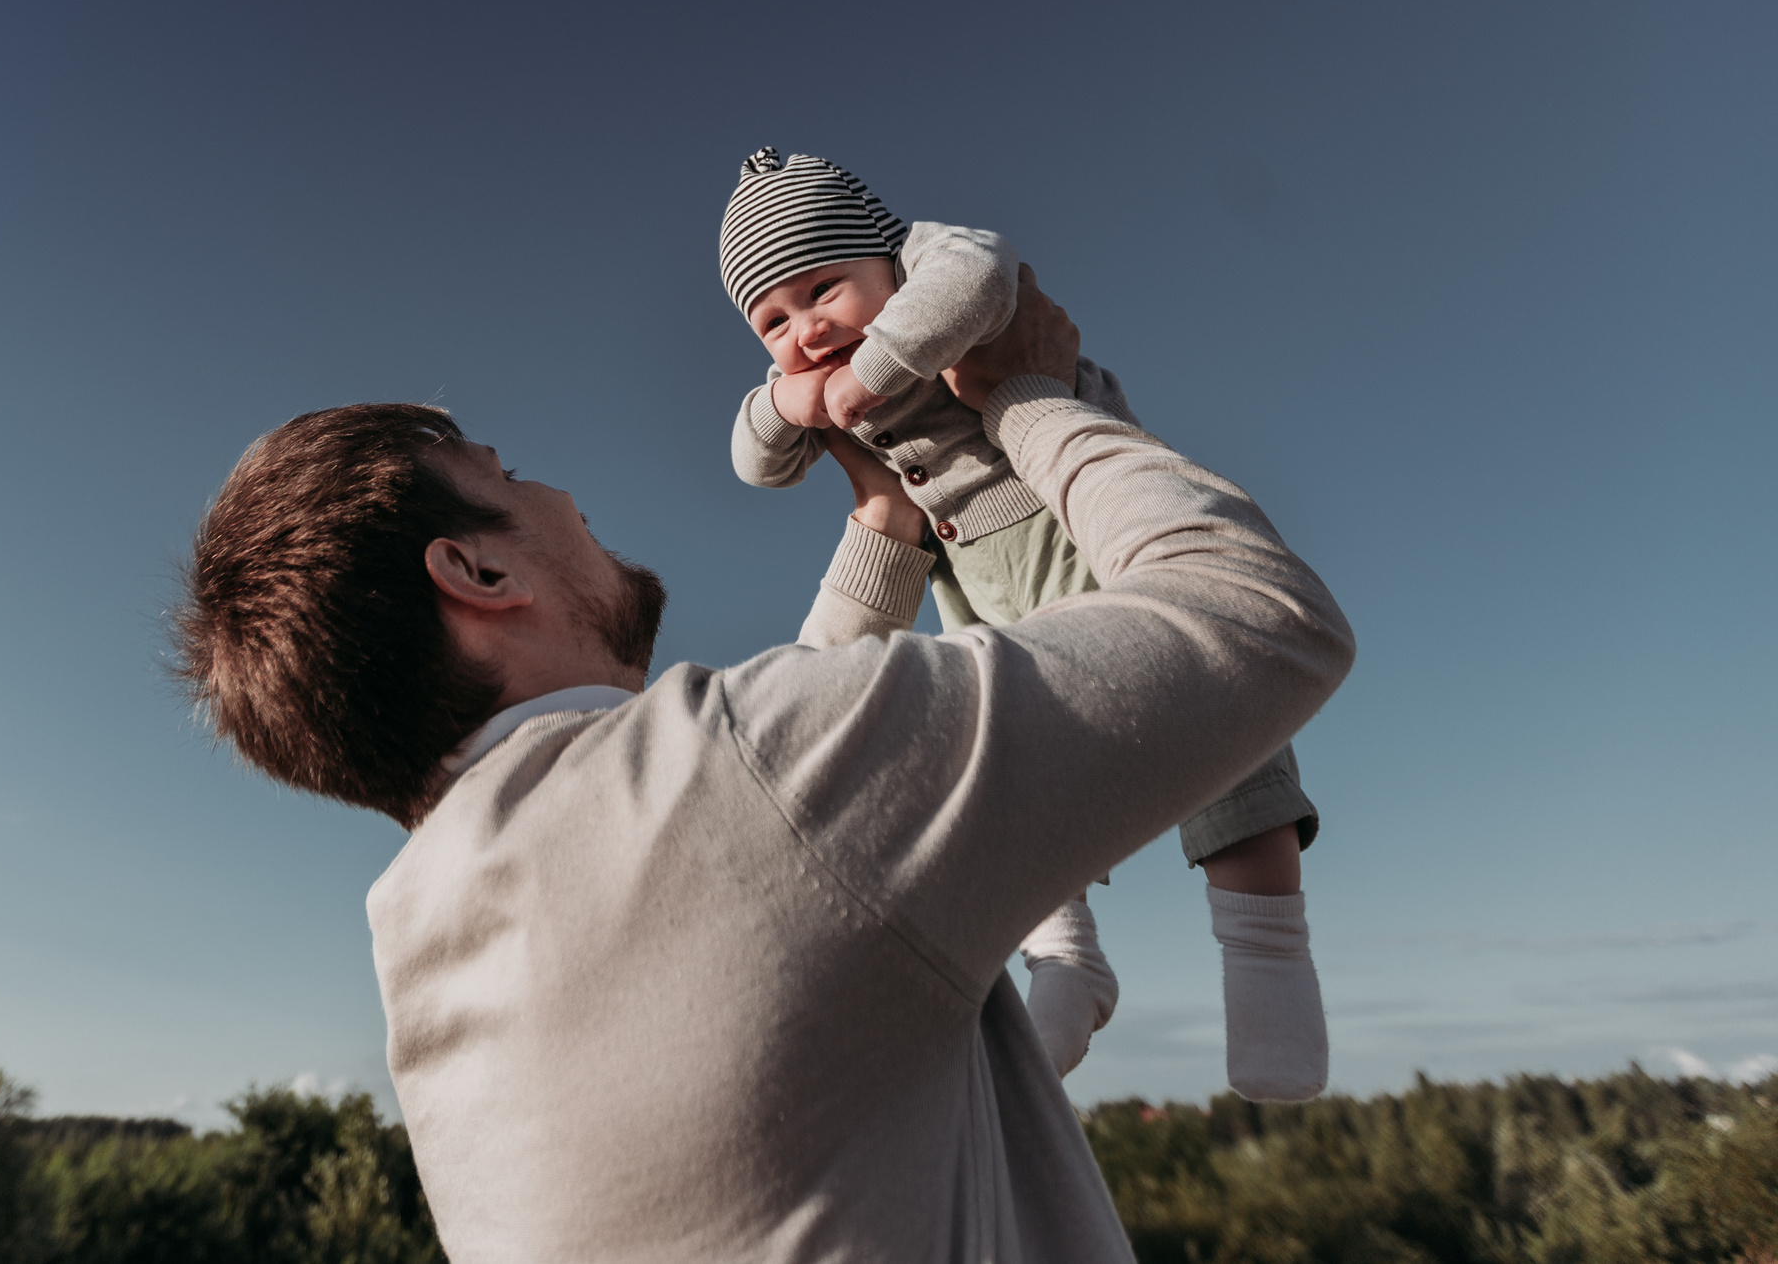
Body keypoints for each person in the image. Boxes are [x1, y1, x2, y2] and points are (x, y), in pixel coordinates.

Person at [174, 273, 1353, 1261]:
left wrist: (886, 529)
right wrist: (1033, 399)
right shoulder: (749, 786)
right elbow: (1257, 617)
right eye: (509, 476)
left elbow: (774, 845)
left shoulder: (434, 954)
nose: (562, 494)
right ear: (478, 577)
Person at [719, 147, 1329, 1099]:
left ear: (883, 254)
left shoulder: (930, 261)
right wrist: (782, 396)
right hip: (976, 581)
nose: (807, 326)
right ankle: (1065, 960)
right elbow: (755, 460)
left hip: (1083, 519)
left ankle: (1269, 957)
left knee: (1217, 714)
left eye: (823, 288)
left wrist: (870, 370)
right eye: (774, 320)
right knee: (1005, 760)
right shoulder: (808, 371)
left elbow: (980, 274)